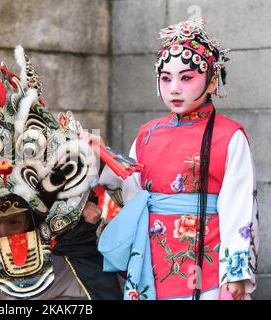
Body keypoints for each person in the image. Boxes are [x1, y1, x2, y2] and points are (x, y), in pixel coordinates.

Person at [97, 18, 259, 300]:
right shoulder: (148, 133)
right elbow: (131, 192)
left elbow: (239, 207)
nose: (174, 88)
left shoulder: (229, 135)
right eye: (166, 78)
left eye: (186, 78)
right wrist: (99, 158)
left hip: (207, 259)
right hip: (150, 257)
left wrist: (235, 273)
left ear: (211, 82)